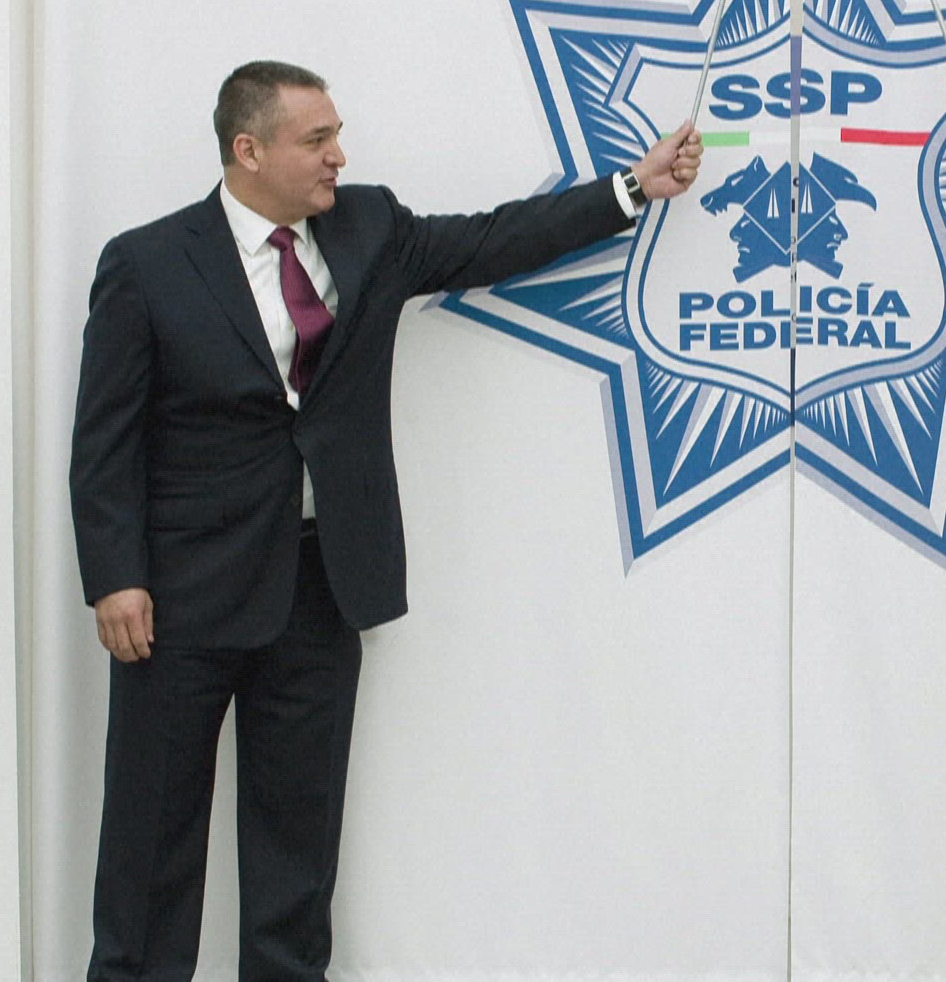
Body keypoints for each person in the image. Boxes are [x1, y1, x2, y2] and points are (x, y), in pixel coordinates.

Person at [69, 59, 703, 980]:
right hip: (179, 600)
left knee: (297, 852)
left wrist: (630, 189)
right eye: (317, 139)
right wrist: (115, 577)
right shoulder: (148, 263)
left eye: (337, 135)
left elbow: (490, 241)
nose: (339, 155)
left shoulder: (368, 227)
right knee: (151, 844)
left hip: (319, 586)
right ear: (249, 150)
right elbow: (105, 438)